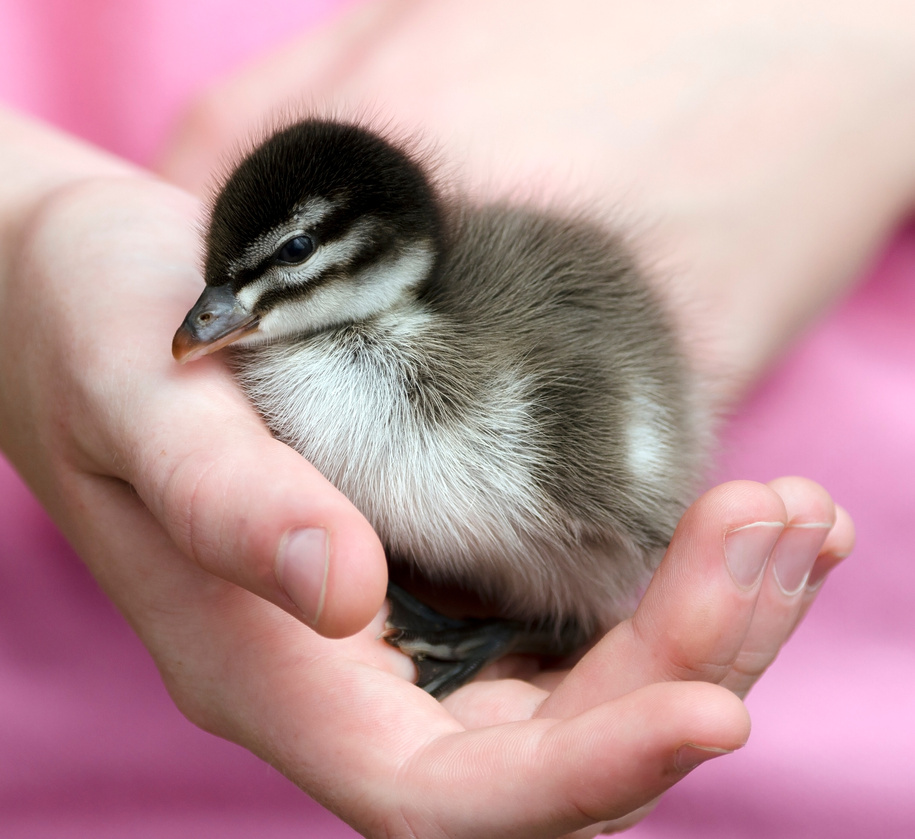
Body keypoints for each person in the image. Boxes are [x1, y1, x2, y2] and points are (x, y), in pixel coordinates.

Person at [0, 1, 911, 836]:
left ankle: (535, 624)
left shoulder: (523, 393)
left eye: (296, 255)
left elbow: (636, 516)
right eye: (222, 281)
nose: (206, 320)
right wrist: (27, 230)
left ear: (385, 248)